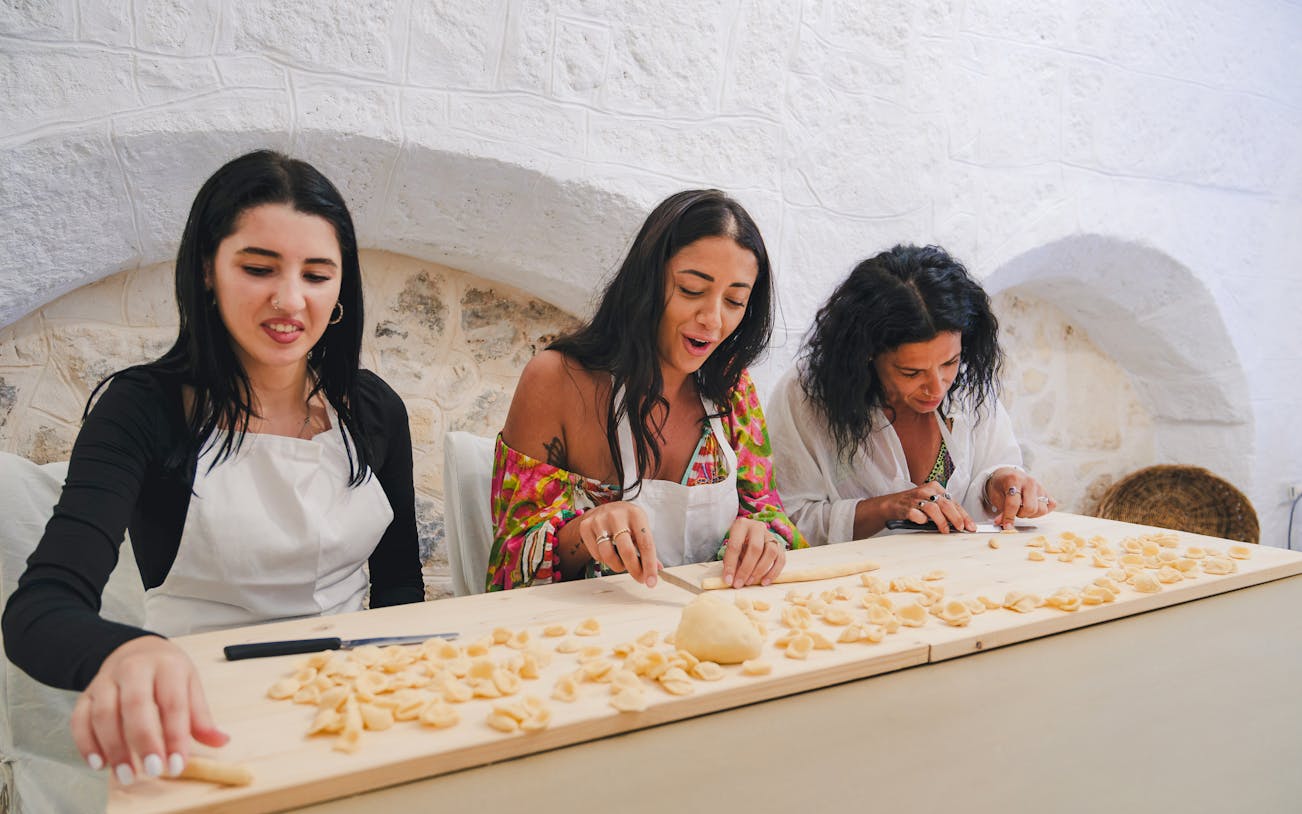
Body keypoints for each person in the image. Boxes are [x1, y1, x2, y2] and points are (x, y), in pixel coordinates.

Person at [2, 150, 423, 786]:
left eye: (317, 275)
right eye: (259, 268)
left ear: (342, 288)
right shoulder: (142, 409)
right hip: (200, 720)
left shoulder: (373, 410)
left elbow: (399, 594)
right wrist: (124, 652)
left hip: (353, 707)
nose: (289, 301)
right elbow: (40, 608)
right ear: (207, 270)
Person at [486, 189, 806, 592]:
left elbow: (768, 514)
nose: (712, 319)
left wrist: (764, 539)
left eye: (735, 300)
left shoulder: (732, 388)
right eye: (692, 290)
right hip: (586, 636)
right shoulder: (557, 380)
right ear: (647, 281)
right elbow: (508, 564)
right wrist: (585, 530)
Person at [766, 244, 1056, 545]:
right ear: (867, 355)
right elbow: (786, 519)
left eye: (949, 362)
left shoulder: (967, 385)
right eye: (911, 372)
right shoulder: (809, 396)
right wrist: (886, 509)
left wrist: (999, 484)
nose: (937, 387)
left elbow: (992, 465)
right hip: (853, 587)